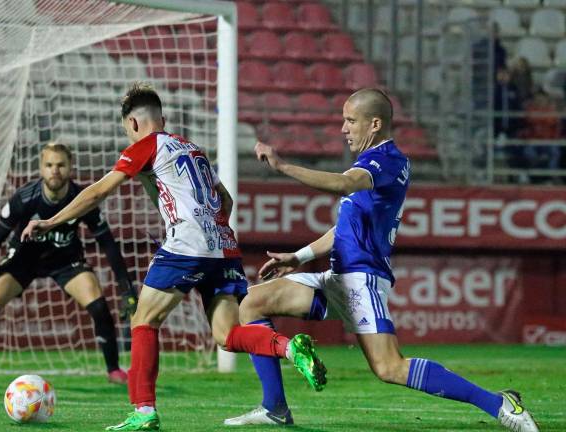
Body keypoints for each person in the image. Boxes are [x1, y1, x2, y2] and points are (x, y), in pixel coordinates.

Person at [227, 88, 539, 432]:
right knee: (252, 303)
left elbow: (344, 184)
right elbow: (343, 226)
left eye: (350, 120)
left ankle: (498, 403)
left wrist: (283, 165)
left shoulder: (386, 160)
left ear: (374, 124)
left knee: (390, 367)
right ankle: (275, 408)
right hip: (338, 276)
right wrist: (298, 256)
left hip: (362, 278)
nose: (343, 128)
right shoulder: (369, 164)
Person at [21, 83, 323, 431]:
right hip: (222, 246)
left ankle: (144, 411)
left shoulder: (145, 145)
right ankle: (288, 348)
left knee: (144, 320)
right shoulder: (192, 148)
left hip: (187, 245)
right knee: (227, 335)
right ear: (161, 118)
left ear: (133, 124)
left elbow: (98, 192)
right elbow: (225, 201)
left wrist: (51, 221)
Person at [0, 142, 137, 389]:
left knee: (98, 303)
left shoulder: (81, 198)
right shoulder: (24, 198)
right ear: (41, 169)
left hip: (65, 260)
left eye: (61, 165)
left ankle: (113, 369)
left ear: (70, 167)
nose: (55, 170)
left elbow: (108, 243)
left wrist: (126, 288)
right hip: (23, 259)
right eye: (49, 165)